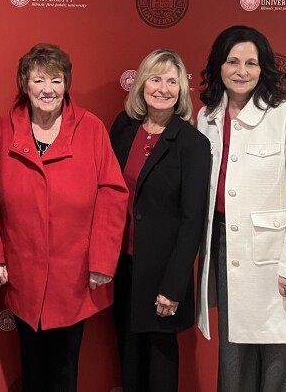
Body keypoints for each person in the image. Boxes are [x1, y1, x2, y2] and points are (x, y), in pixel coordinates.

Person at [0, 43, 128, 392]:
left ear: (66, 85)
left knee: (65, 367)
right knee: (31, 365)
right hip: (22, 271)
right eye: (38, 80)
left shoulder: (91, 128)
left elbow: (112, 195)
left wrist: (103, 261)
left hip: (74, 273)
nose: (48, 89)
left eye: (56, 80)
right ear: (24, 84)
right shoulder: (4, 129)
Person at [196, 25, 286, 392]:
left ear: (264, 68)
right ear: (218, 66)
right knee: (234, 358)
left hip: (279, 260)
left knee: (282, 361)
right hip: (228, 251)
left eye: (252, 63)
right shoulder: (206, 118)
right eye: (233, 61)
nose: (242, 71)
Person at [109, 50, 211, 392]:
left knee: (160, 360)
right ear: (142, 85)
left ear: (181, 90)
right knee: (128, 353)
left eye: (172, 81)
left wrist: (173, 287)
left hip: (164, 273)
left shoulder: (193, 144)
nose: (163, 88)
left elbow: (192, 220)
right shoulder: (123, 129)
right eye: (155, 79)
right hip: (124, 266)